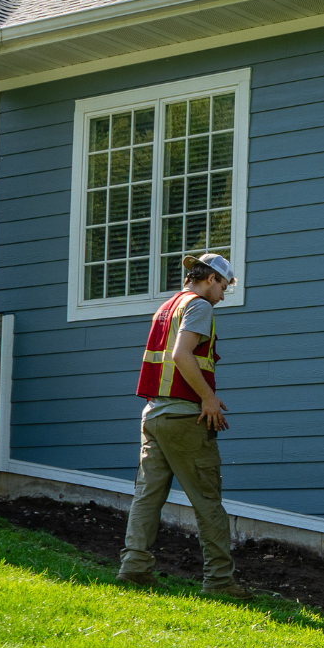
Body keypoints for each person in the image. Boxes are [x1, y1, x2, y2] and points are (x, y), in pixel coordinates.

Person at [117, 253, 251, 599]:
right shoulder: (200, 307)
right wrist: (208, 398)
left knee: (147, 496)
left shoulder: (166, 308)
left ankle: (134, 568)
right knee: (207, 499)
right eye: (223, 287)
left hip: (153, 415)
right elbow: (181, 354)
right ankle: (219, 581)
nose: (222, 296)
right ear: (210, 279)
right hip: (184, 418)